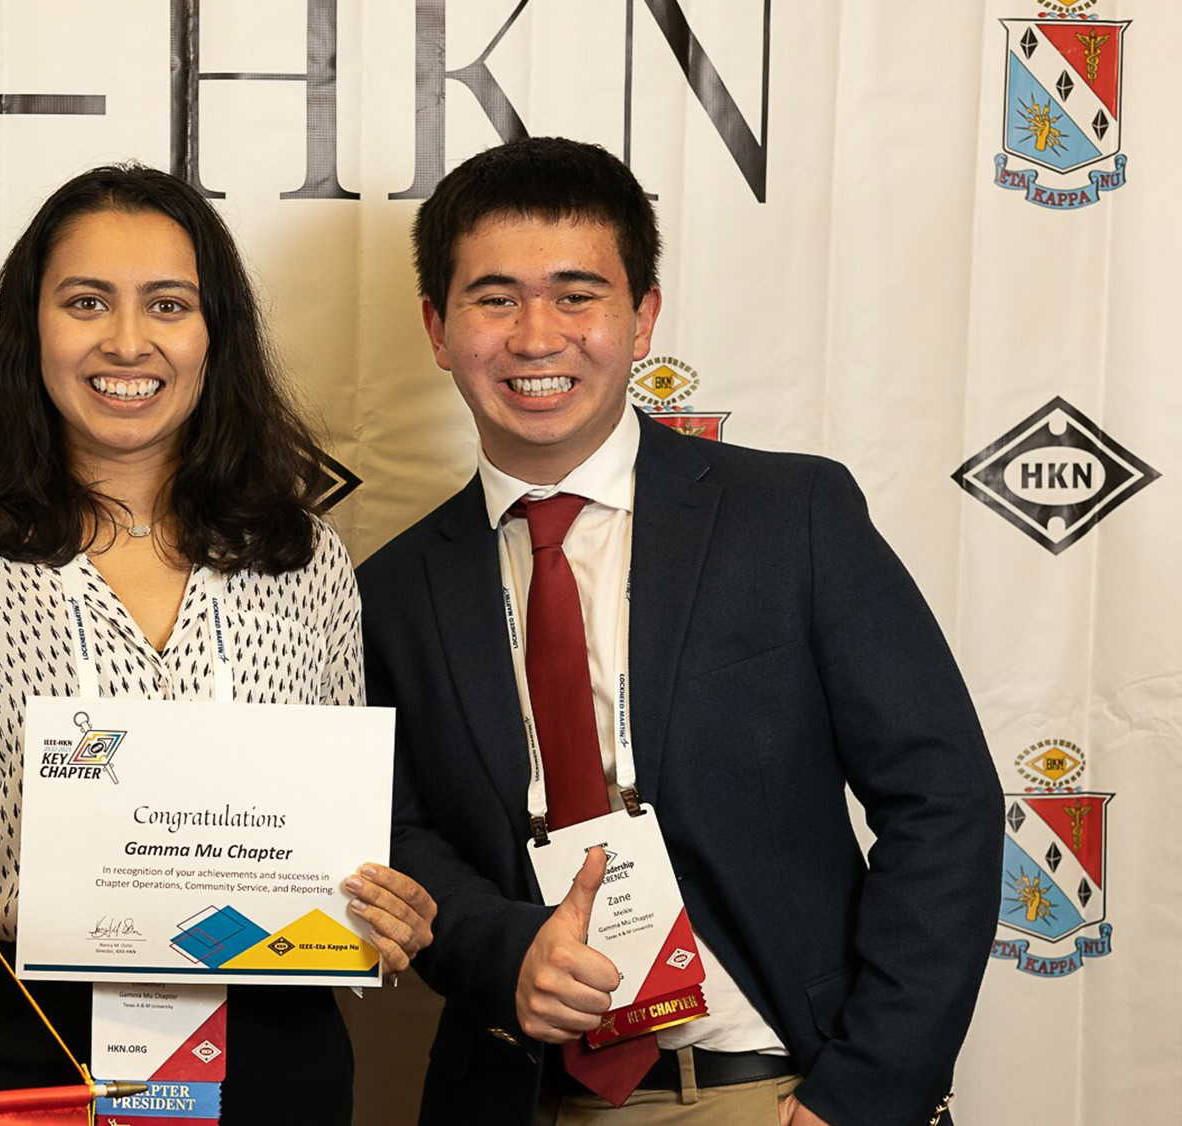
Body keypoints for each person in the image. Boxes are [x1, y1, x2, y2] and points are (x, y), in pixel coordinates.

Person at [358, 138, 1002, 1126]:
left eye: (577, 294)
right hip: (514, 1096)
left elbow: (943, 800)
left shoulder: (790, 518)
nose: (535, 336)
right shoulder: (390, 589)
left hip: (772, 1092)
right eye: (493, 298)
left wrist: (868, 1094)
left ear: (641, 315)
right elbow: (397, 835)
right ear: (436, 328)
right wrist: (506, 949)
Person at [0, 164, 435, 1123]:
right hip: (25, 1050)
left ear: (213, 335)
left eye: (169, 304)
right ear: (32, 329)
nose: (127, 340)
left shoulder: (304, 561)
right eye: (86, 301)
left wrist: (382, 907)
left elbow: (337, 838)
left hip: (271, 1053)